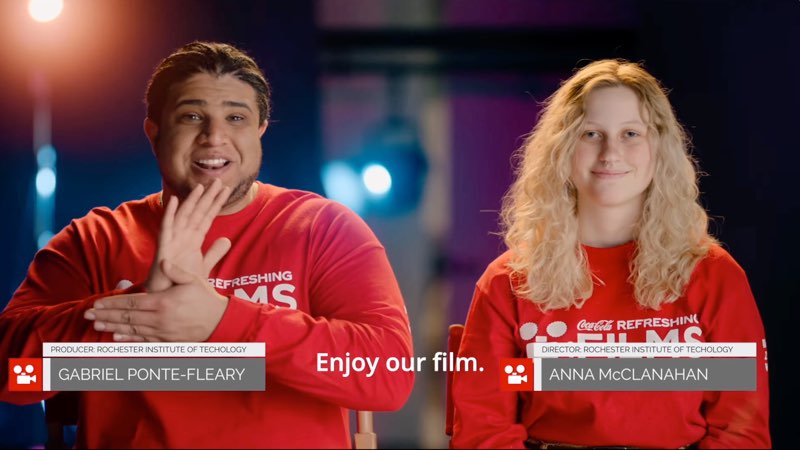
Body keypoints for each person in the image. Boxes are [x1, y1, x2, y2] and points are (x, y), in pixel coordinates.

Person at [0, 41, 414, 448]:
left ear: (259, 132)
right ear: (154, 132)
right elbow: (14, 377)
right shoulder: (95, 240)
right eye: (192, 116)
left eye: (236, 117)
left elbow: (388, 376)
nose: (214, 136)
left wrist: (223, 320)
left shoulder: (322, 228)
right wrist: (139, 312)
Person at [451, 59, 770, 448]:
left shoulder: (714, 275)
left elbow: (740, 431)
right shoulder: (508, 281)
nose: (610, 153)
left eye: (631, 133)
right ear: (562, 149)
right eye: (590, 134)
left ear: (660, 148)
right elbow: (484, 431)